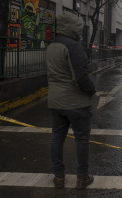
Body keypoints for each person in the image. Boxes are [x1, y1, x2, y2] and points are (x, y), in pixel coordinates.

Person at [46, 11, 97, 190]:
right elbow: (81, 78)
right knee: (82, 139)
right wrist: (92, 91)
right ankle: (82, 177)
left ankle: (58, 177)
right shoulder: (73, 46)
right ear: (73, 28)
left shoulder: (52, 45)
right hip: (76, 103)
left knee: (57, 138)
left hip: (55, 101)